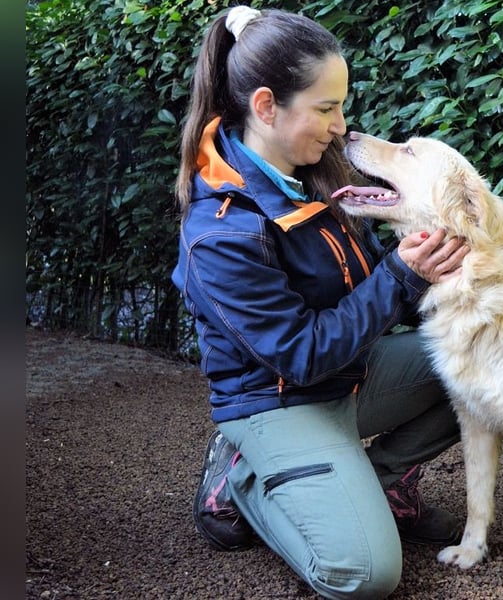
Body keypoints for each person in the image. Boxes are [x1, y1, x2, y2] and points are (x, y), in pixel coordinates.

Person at [171, 6, 471, 599]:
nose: (342, 126)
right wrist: (401, 276)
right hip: (277, 400)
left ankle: (381, 485)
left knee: (475, 365)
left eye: (341, 105)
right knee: (364, 576)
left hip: (350, 375)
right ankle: (245, 481)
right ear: (265, 107)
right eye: (326, 108)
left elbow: (376, 295)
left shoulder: (313, 173)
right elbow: (301, 356)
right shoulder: (221, 231)